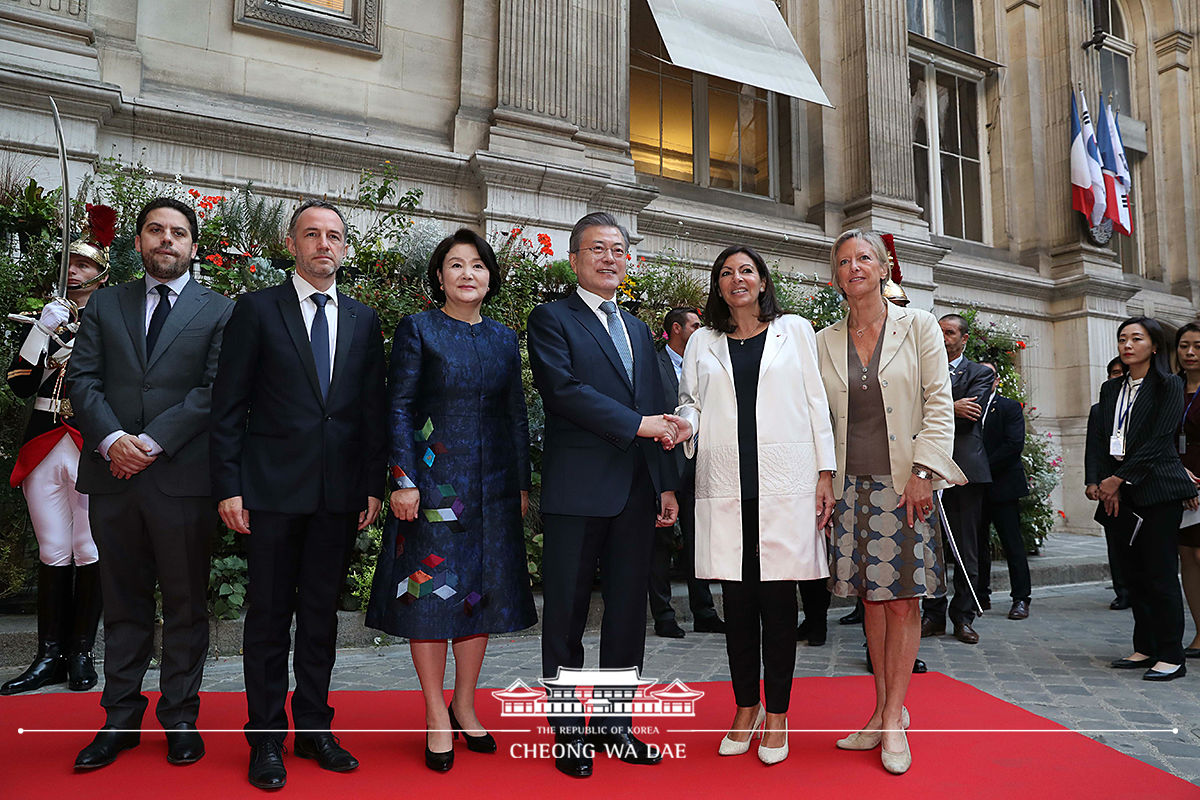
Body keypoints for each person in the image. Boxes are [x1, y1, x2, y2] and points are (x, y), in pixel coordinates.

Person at [210, 200, 386, 789]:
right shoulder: (257, 309)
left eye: (334, 236)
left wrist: (371, 485)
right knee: (266, 619)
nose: (324, 245)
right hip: (270, 492)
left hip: (338, 497)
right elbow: (229, 406)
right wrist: (229, 486)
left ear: (345, 247)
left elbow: (369, 412)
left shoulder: (363, 319)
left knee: (319, 618)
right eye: (312, 235)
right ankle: (265, 739)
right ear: (292, 244)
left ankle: (314, 726)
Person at [67, 197, 234, 770]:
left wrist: (152, 443)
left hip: (181, 479)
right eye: (156, 231)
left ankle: (181, 718)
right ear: (138, 242)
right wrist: (115, 442)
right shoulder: (105, 305)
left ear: (193, 245)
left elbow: (214, 391)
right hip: (113, 477)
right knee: (122, 603)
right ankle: (118, 720)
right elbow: (83, 379)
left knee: (186, 605)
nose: (167, 240)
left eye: (179, 233)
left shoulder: (219, 311)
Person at [365, 229, 537, 772]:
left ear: (490, 278)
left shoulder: (504, 339)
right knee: (431, 594)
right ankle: (436, 711)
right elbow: (397, 407)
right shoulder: (419, 329)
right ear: (439, 277)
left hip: (492, 489)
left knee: (478, 595)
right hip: (434, 487)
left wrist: (521, 484)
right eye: (456, 265)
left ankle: (465, 702)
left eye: (478, 265)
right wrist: (403, 478)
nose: (468, 274)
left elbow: (515, 416)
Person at [527, 211, 680, 779]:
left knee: (625, 615)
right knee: (564, 612)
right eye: (598, 249)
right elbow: (563, 392)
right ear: (575, 260)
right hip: (577, 491)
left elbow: (658, 400)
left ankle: (616, 725)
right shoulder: (550, 319)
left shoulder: (640, 329)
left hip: (638, 494)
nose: (611, 258)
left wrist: (666, 484)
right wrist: (641, 426)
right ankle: (568, 732)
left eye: (619, 249)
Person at [674, 245, 835, 766]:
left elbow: (816, 403)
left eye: (746, 271)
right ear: (718, 286)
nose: (736, 279)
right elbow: (690, 402)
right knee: (737, 605)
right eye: (726, 273)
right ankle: (745, 706)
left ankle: (779, 714)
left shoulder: (797, 331)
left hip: (785, 484)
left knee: (779, 603)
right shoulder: (703, 339)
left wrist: (825, 473)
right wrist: (684, 425)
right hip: (726, 483)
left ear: (763, 281)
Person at [817, 229, 965, 775]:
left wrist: (925, 471)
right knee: (871, 602)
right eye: (843, 261)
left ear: (883, 269)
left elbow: (938, 403)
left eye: (864, 259)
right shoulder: (823, 338)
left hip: (905, 483)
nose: (854, 267)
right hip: (852, 486)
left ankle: (896, 715)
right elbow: (818, 418)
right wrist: (822, 477)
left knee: (902, 601)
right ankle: (882, 713)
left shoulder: (920, 325)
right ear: (835, 276)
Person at [2, 206, 113, 696]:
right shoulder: (46, 317)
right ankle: (48, 655)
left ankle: (82, 652)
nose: (74, 270)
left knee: (88, 548)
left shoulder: (112, 319)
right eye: (68, 262)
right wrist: (41, 331)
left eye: (84, 264)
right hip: (45, 438)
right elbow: (20, 384)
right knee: (52, 549)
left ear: (102, 271)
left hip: (89, 442)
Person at [1086, 316, 1196, 682]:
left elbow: (1158, 442)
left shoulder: (1167, 385)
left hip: (1157, 489)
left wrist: (1118, 479)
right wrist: (1104, 482)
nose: (1127, 345)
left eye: (1136, 338)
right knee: (1133, 572)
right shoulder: (1110, 388)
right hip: (1120, 491)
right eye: (1122, 339)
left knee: (1160, 572)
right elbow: (1103, 437)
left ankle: (1171, 653)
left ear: (1153, 345)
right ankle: (1145, 645)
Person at [649, 306, 724, 638]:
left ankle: (704, 611)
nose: (701, 329)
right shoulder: (651, 363)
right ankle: (664, 616)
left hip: (700, 467)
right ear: (676, 329)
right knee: (660, 544)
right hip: (663, 465)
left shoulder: (707, 364)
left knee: (700, 541)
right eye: (695, 325)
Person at [921, 313, 992, 644]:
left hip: (963, 470)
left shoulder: (978, 372)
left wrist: (938, 409)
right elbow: (910, 412)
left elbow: (970, 416)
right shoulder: (921, 368)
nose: (943, 337)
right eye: (938, 331)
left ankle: (964, 616)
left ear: (964, 338)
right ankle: (933, 614)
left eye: (949, 332)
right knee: (931, 546)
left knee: (965, 547)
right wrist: (951, 406)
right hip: (927, 468)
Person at [977, 361, 1032, 620]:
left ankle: (1021, 598)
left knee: (1012, 545)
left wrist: (981, 467)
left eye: (990, 376)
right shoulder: (968, 408)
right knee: (977, 544)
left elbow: (1013, 445)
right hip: (974, 489)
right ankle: (980, 595)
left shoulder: (1009, 407)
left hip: (1003, 486)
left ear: (997, 380)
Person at [1089, 356, 1131, 609]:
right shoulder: (1099, 409)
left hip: (1138, 480)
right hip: (1107, 483)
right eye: (1112, 373)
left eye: (1121, 373)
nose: (1116, 378)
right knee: (1114, 541)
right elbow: (1092, 447)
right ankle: (1122, 591)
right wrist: (1092, 481)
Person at [1173, 322, 1200, 657]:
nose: (1190, 352)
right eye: (1184, 346)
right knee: (1187, 557)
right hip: (1178, 478)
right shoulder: (1171, 387)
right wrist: (1180, 476)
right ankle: (1199, 631)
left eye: (1197, 345)